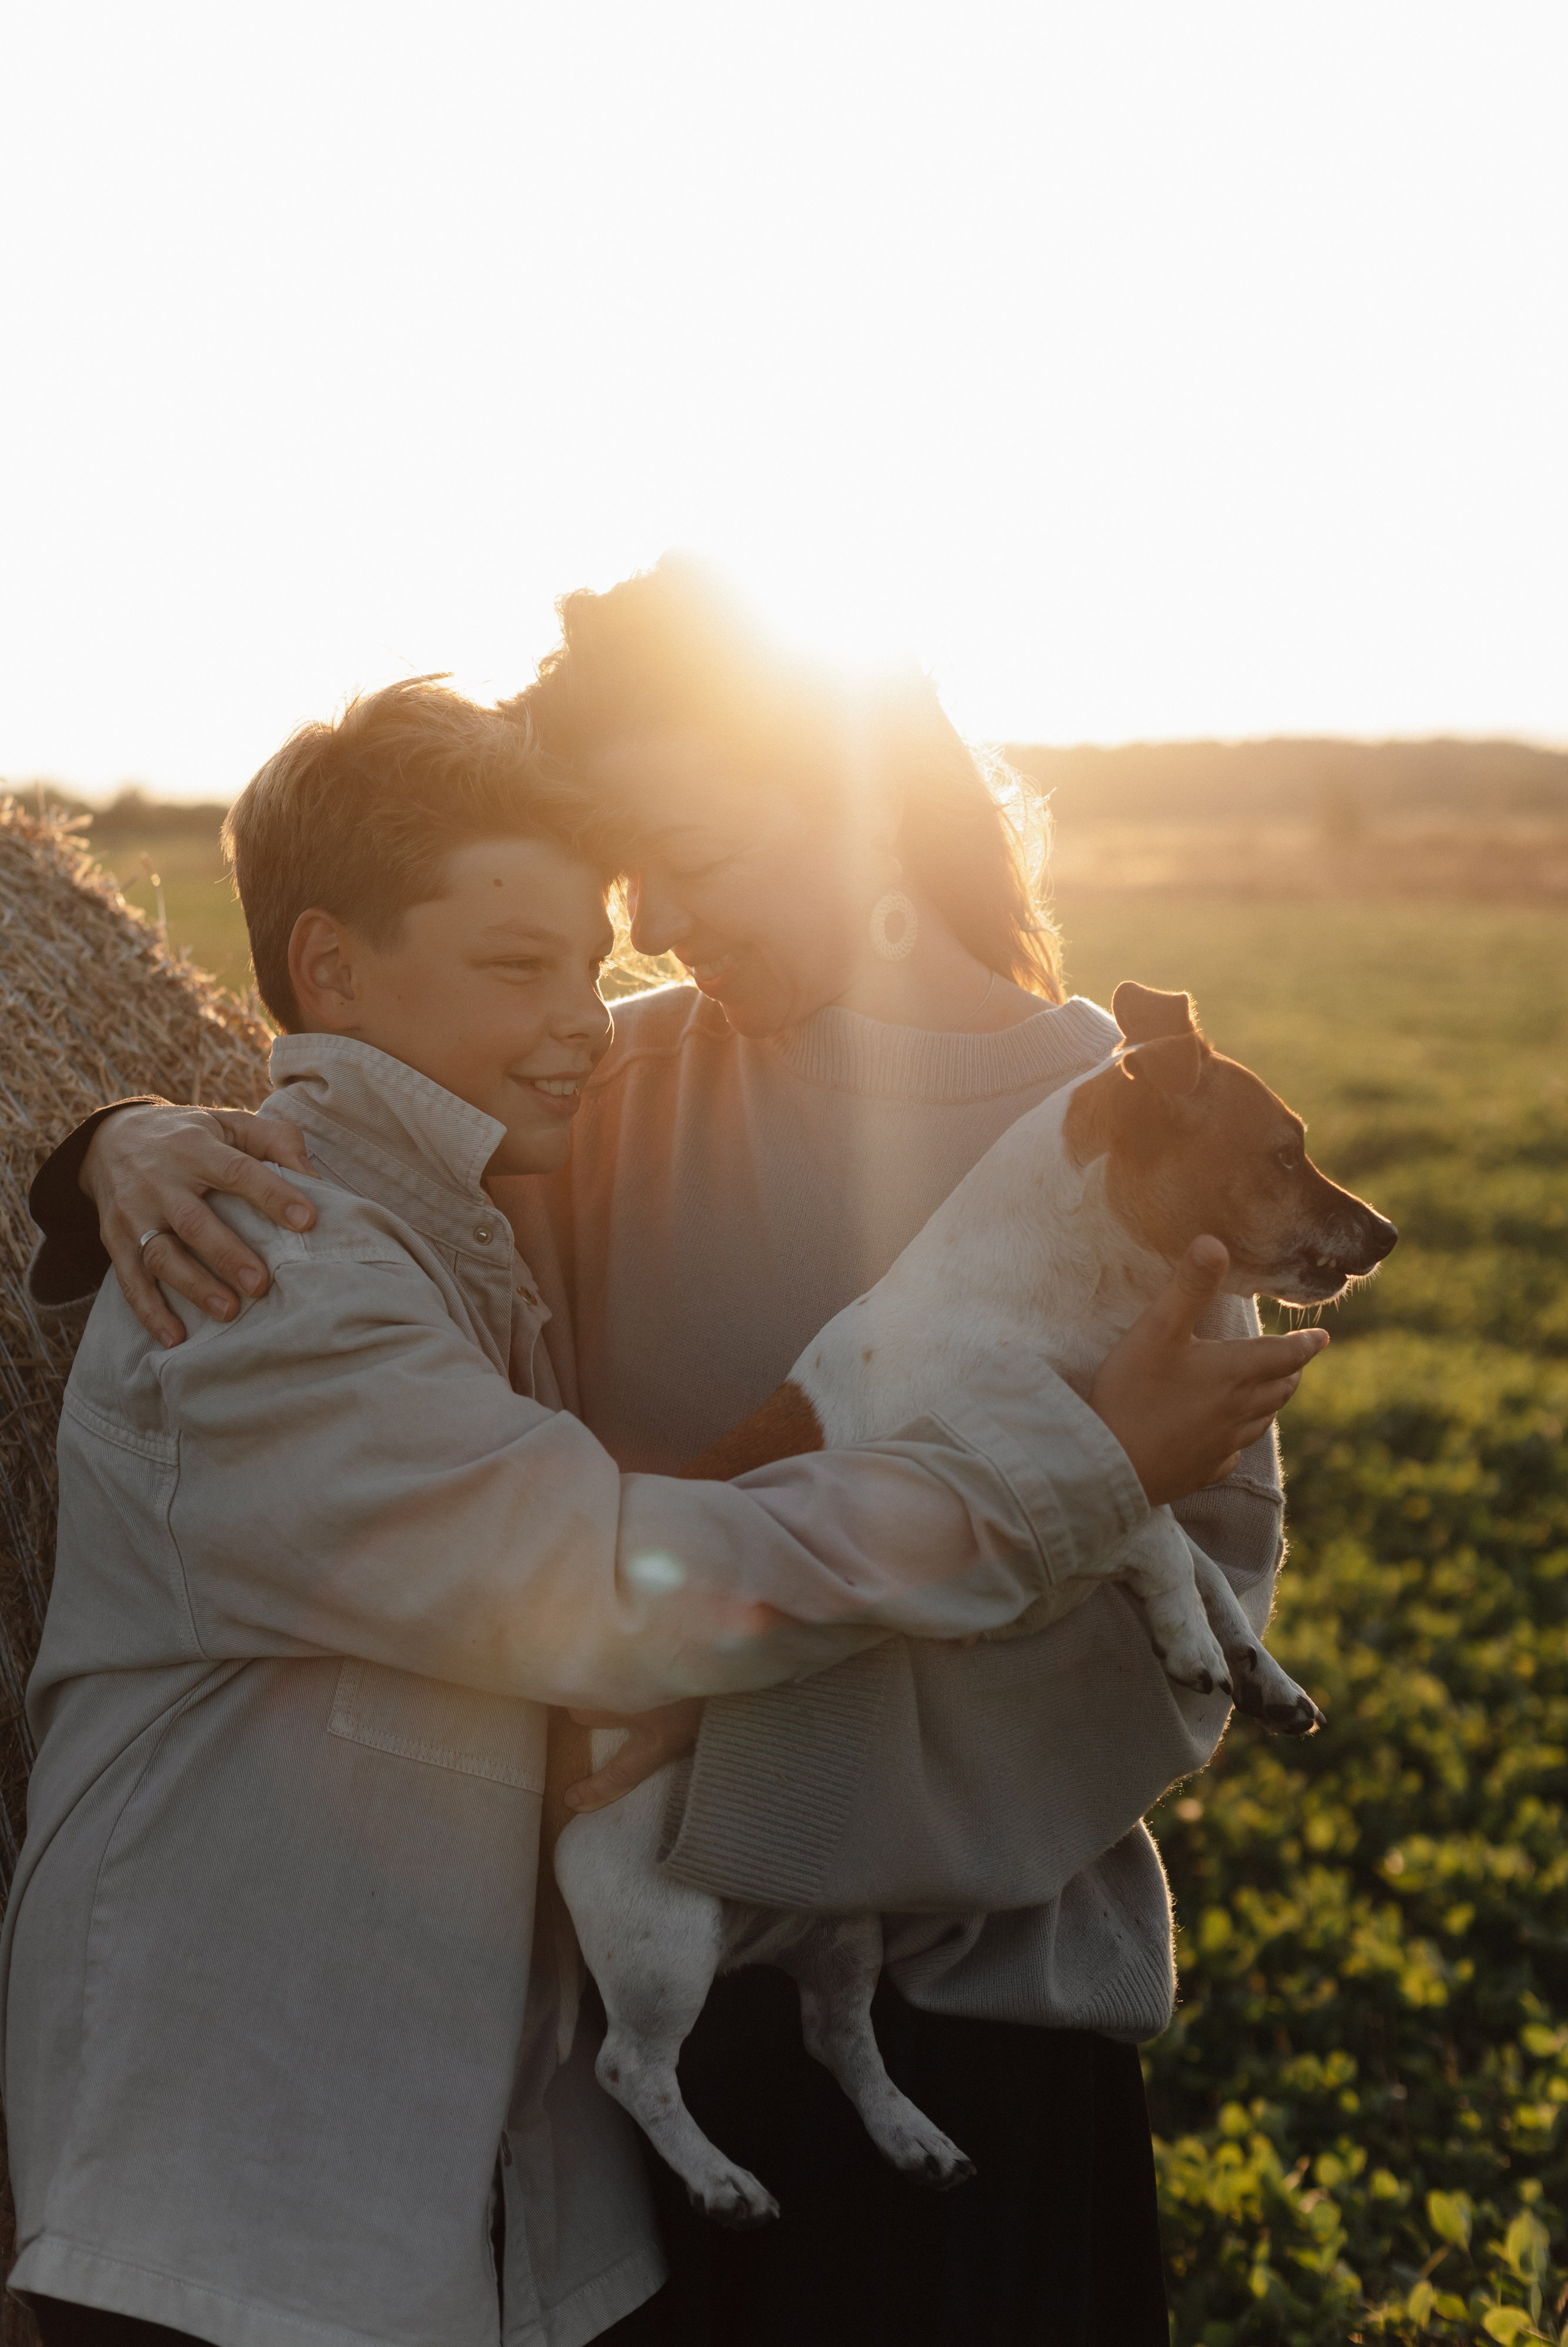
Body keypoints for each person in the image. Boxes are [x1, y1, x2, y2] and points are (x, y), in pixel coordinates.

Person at [36, 571, 1327, 2346]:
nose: (661, 921)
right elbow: (363, 1185)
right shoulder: (610, 1093)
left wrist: (751, 1818)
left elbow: (1173, 1652)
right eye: (629, 877)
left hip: (975, 2020)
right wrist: (123, 1132)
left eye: (693, 849)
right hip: (627, 2064)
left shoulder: (1127, 1125)